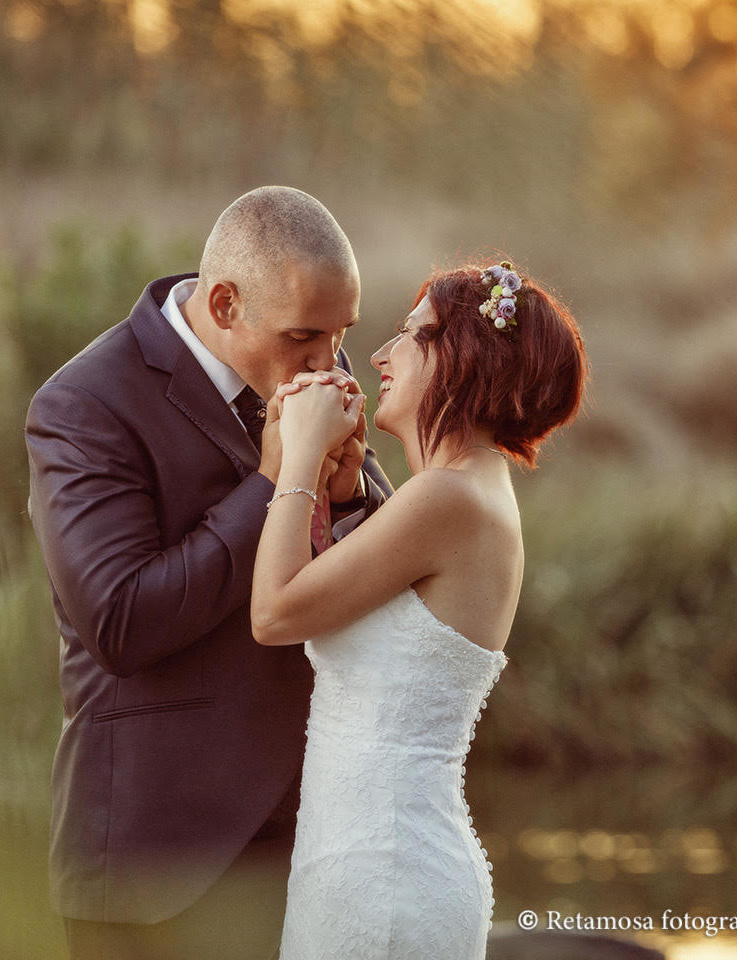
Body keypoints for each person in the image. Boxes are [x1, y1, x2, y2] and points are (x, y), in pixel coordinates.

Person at [25, 186, 393, 960]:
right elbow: (122, 621)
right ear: (225, 304)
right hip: (158, 868)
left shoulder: (309, 355)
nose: (328, 364)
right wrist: (271, 487)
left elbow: (380, 551)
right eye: (305, 337)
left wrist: (351, 490)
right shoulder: (84, 405)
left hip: (316, 842)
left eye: (341, 335)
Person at [250, 260, 587, 959]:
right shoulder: (457, 494)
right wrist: (339, 495)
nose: (377, 355)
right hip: (367, 865)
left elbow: (275, 613)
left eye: (410, 333)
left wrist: (297, 457)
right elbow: (348, 606)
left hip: (383, 878)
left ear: (461, 357)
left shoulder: (448, 499)